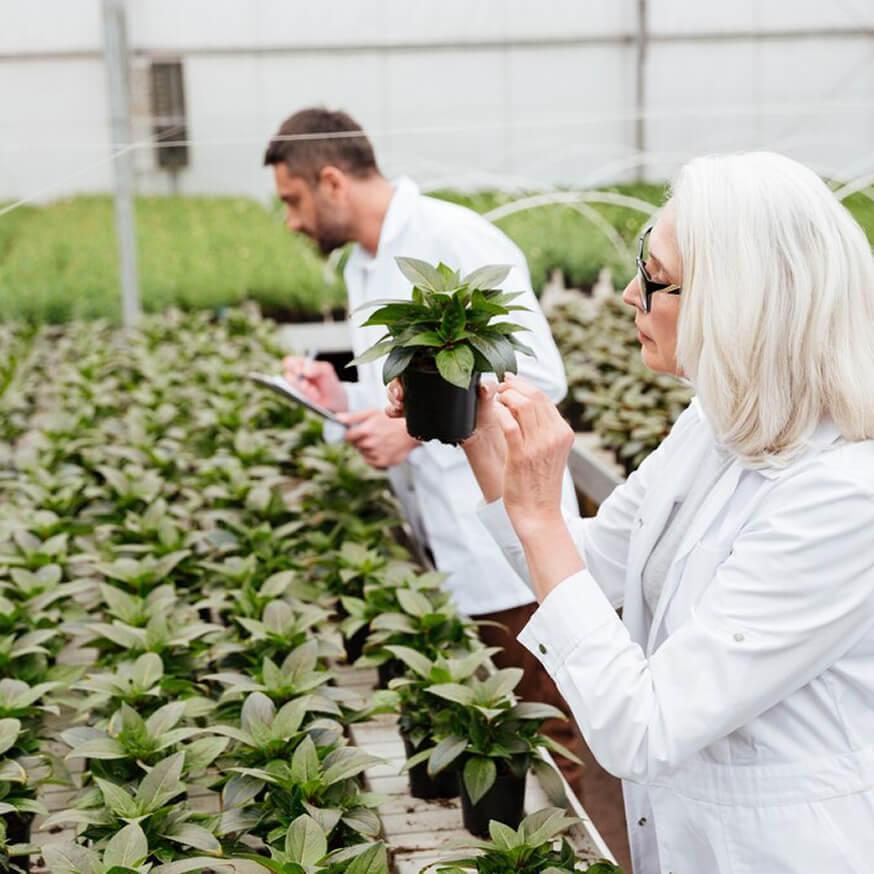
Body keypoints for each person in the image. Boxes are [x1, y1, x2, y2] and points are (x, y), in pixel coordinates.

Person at [388, 151, 874, 874]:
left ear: (741, 299)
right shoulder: (713, 425)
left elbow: (645, 729)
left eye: (653, 275)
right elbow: (583, 568)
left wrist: (542, 507)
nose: (626, 293)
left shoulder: (844, 496)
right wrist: (481, 443)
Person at [262, 108, 588, 794]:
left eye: (292, 199)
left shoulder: (452, 238)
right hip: (446, 547)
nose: (290, 221)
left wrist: (412, 433)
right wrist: (340, 396)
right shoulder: (362, 265)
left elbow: (539, 378)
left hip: (509, 551)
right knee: (491, 739)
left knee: (546, 728)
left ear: (330, 180)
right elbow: (408, 397)